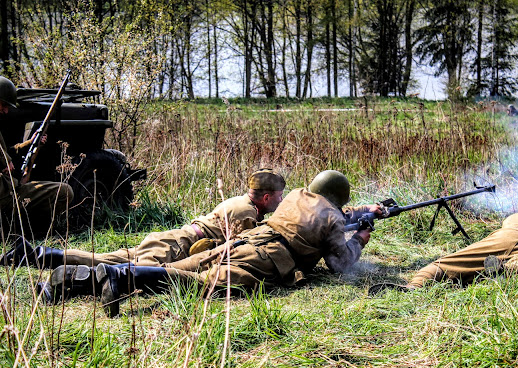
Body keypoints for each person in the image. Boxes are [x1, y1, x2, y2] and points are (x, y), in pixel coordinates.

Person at [50, 170, 380, 317]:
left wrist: (363, 212)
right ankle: (123, 278)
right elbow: (341, 263)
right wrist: (362, 236)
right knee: (203, 285)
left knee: (173, 269)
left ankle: (73, 280)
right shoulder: (333, 218)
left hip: (246, 240)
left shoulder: (296, 196)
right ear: (338, 198)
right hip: (266, 258)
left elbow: (324, 217)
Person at [14, 169, 286, 296]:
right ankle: (56, 288)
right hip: (177, 245)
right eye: (279, 196)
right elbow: (240, 248)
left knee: (108, 261)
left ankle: (39, 255)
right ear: (266, 197)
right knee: (126, 279)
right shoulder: (246, 213)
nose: (281, 201)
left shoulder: (242, 204)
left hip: (171, 240)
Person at [404, 196, 518, 288]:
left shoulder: (515, 216)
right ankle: (504, 270)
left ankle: (416, 284)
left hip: (504, 236)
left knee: (452, 262)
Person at [0, 76, 73, 236]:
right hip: (5, 197)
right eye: (3, 105)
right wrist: (3, 162)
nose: (5, 111)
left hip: (11, 190)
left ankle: (22, 231)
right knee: (64, 192)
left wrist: (32, 143)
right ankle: (15, 232)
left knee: (63, 191)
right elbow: (4, 158)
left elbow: (9, 152)